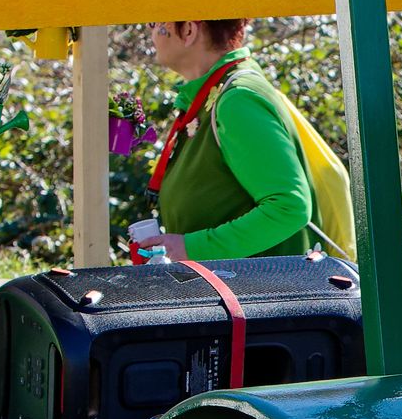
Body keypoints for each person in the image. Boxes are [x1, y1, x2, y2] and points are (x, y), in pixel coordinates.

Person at [141, 18, 334, 260]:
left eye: (154, 23)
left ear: (188, 30)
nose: (149, 31)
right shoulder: (215, 94)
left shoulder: (237, 100)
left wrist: (192, 248)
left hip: (259, 284)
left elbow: (289, 207)